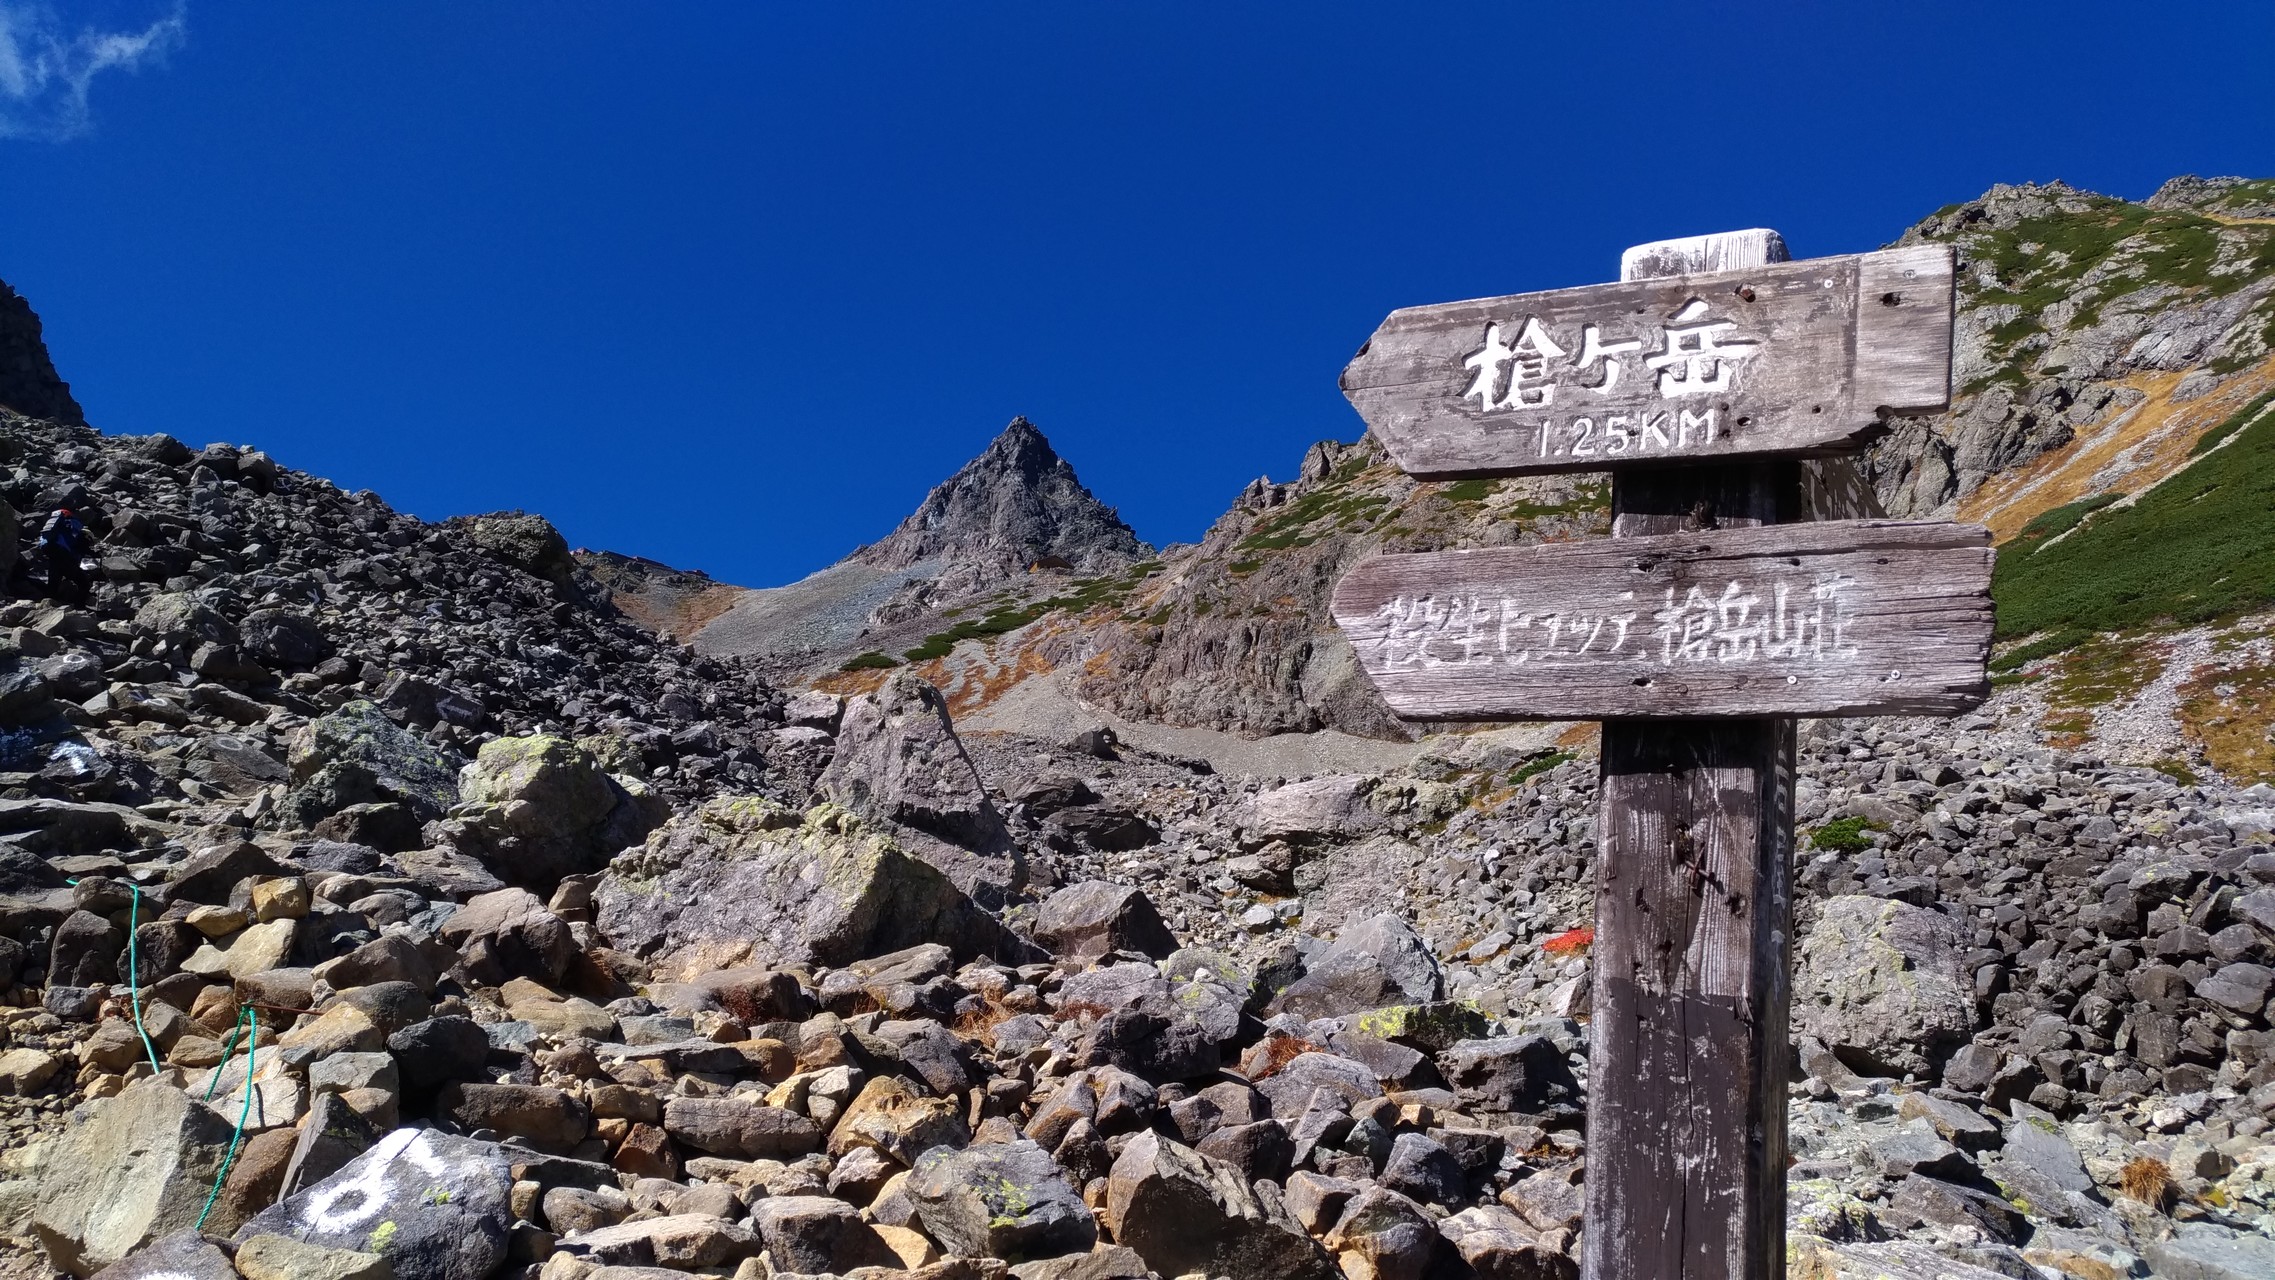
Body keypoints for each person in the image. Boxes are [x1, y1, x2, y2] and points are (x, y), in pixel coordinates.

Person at [36, 507, 93, 604]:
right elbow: (77, 552)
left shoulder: (57, 529)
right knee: (83, 582)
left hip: (52, 553)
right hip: (63, 554)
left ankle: (49, 604)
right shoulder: (80, 534)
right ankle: (79, 607)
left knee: (53, 581)